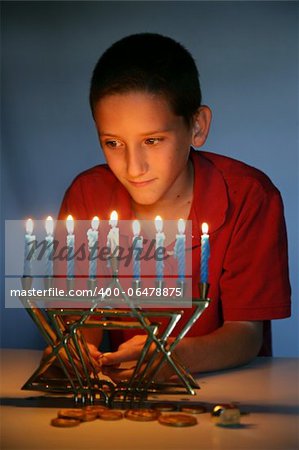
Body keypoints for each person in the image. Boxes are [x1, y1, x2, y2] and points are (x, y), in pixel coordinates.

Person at [57, 33, 291, 381]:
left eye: (152, 140)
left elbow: (246, 334)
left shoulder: (250, 197)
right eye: (113, 143)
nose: (134, 167)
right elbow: (81, 321)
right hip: (127, 392)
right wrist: (74, 348)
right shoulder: (88, 195)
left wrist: (172, 357)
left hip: (228, 390)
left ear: (197, 126)